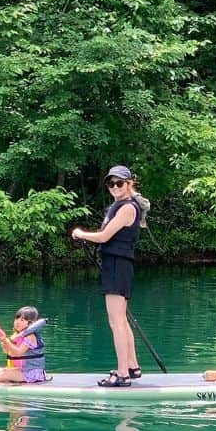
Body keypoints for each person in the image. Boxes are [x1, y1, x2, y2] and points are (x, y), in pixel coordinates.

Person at [71, 165, 144, 387]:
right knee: (121, 320)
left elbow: (104, 237)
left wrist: (80, 233)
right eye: (111, 184)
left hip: (118, 266)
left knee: (116, 322)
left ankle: (122, 374)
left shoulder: (127, 208)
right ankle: (132, 366)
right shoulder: (119, 205)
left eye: (119, 183)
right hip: (117, 265)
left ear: (129, 183)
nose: (114, 187)